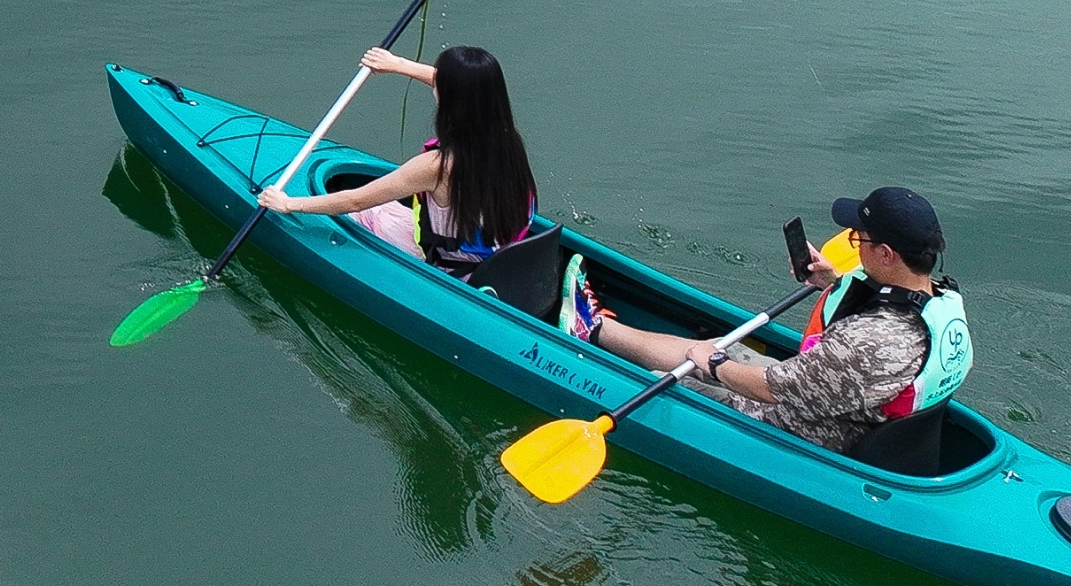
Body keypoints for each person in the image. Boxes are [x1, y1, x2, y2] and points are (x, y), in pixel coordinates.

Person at [585, 186, 971, 454]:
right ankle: (600, 329)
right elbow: (883, 330)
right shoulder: (943, 300)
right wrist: (832, 284)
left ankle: (590, 336)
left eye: (859, 238)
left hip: (818, 432)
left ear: (887, 254)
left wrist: (716, 366)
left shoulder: (865, 345)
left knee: (676, 376)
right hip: (860, 412)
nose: (853, 241)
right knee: (725, 346)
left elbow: (774, 389)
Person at [255, 45, 542, 275]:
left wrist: (289, 204)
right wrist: (397, 64)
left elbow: (356, 200)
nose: (434, 83)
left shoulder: (436, 167)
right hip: (494, 253)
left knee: (367, 214)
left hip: (454, 268)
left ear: (450, 99)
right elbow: (460, 86)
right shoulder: (507, 138)